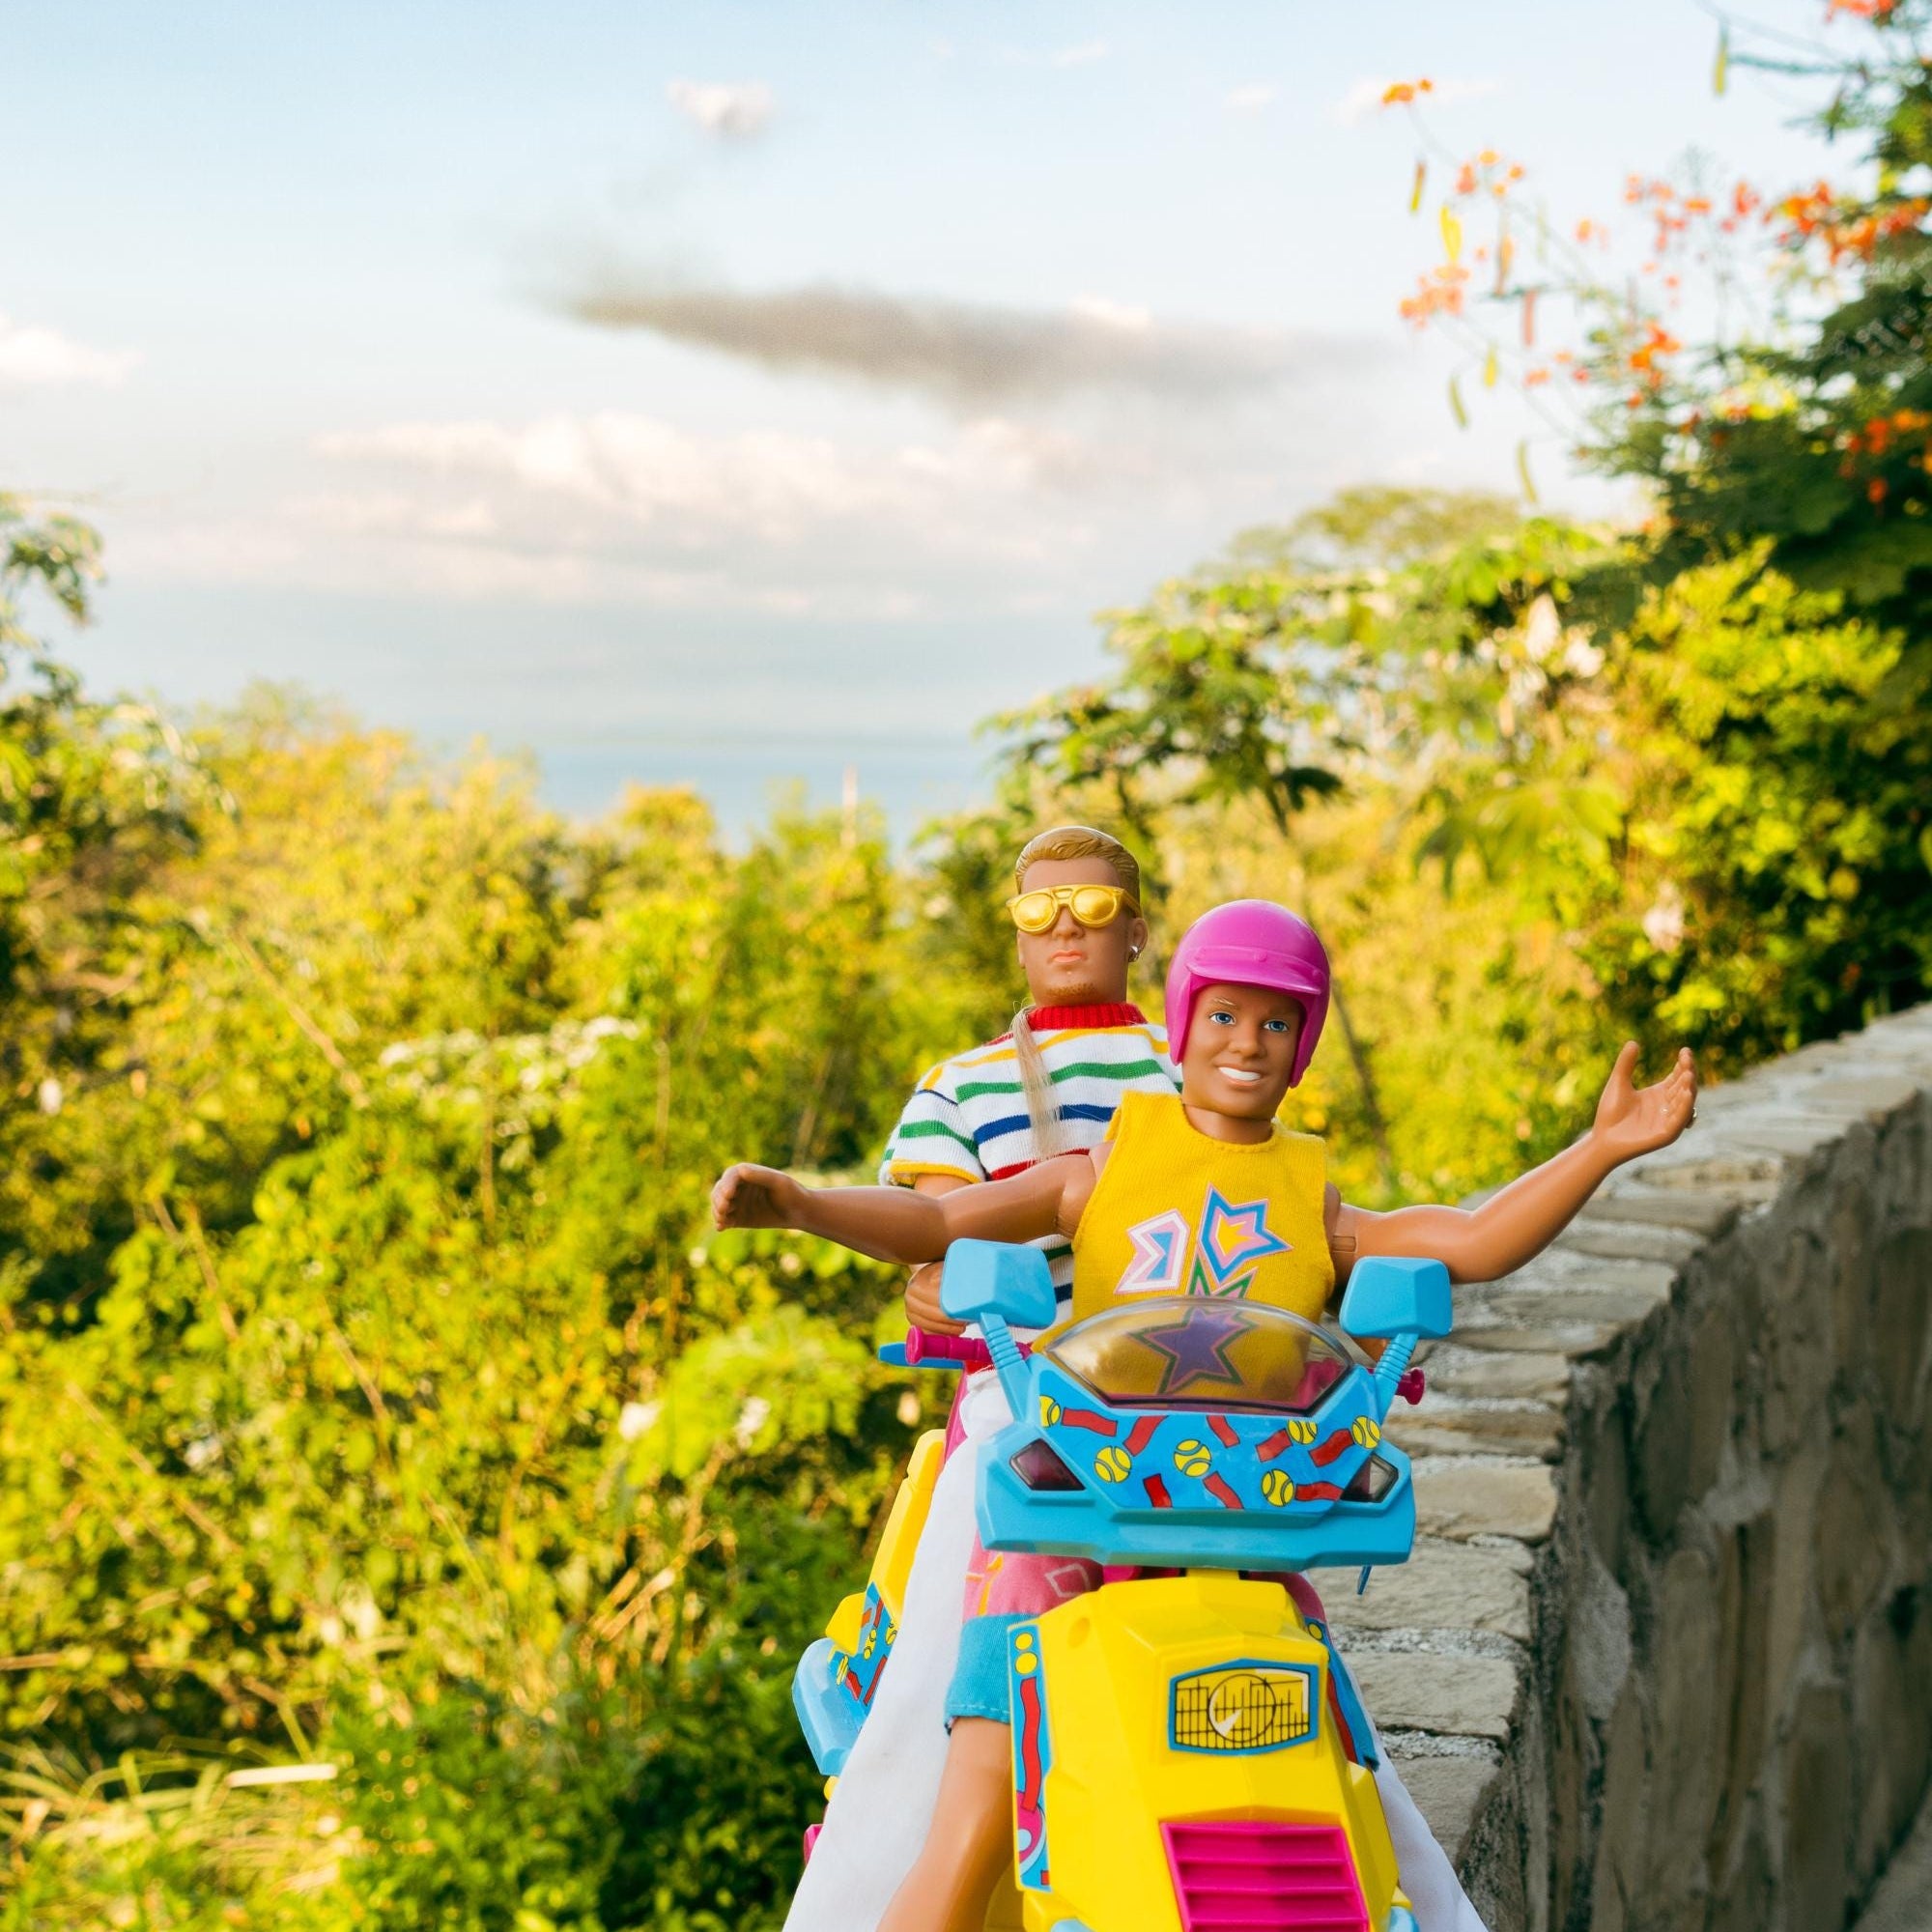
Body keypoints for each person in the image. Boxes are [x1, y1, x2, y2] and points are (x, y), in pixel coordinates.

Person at [719, 899, 1698, 1932]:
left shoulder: (1310, 1197)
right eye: (1225, 1014)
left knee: (1346, 1780)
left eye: (1277, 1022)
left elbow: (1468, 1239)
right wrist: (800, 1204)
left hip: (1239, 1538)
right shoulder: (1103, 1164)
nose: (1247, 1042)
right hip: (1084, 1529)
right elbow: (939, 1216)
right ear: (1182, 1022)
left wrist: (1597, 1149)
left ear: (1303, 1043)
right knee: (969, 1819)